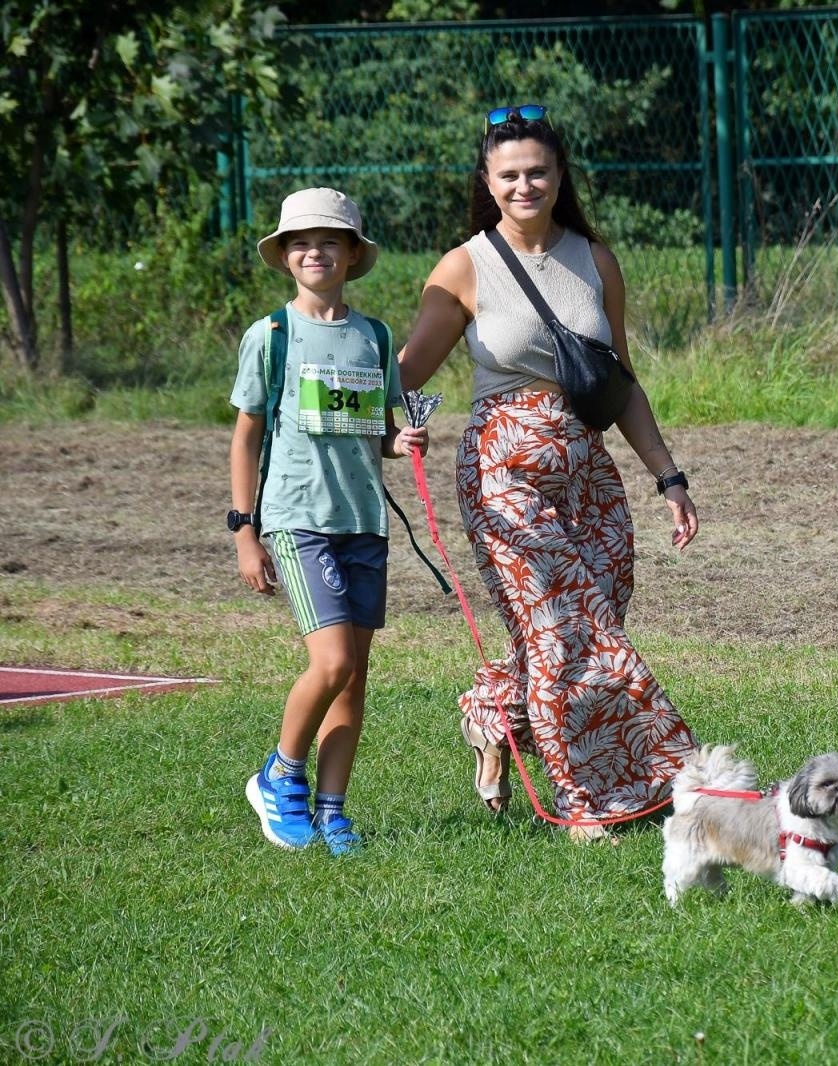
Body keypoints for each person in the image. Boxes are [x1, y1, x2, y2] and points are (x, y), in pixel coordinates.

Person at [398, 105, 698, 842]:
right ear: (488, 183)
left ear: (561, 177)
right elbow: (405, 374)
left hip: (588, 470)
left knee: (589, 619)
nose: (524, 184)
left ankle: (493, 719)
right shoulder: (464, 265)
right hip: (504, 470)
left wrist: (668, 477)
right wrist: (397, 421)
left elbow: (619, 381)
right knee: (566, 632)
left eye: (538, 171)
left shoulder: (594, 259)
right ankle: (584, 799)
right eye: (509, 174)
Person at [229, 187, 428, 856]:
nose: (314, 251)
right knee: (333, 659)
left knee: (355, 673)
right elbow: (245, 436)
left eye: (329, 241)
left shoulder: (373, 336)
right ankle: (278, 776)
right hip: (296, 519)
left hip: (364, 522)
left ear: (351, 255)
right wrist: (243, 530)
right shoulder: (271, 336)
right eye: (300, 242)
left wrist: (405, 443)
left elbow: (381, 431)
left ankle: (332, 811)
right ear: (285, 257)